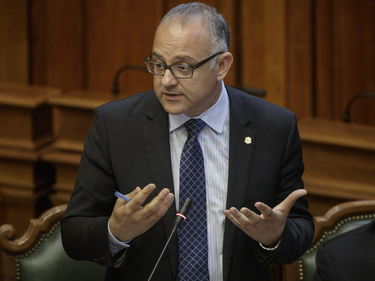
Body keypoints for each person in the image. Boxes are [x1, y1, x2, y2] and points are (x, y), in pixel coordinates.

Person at [61, 2, 314, 281]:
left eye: (182, 67)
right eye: (158, 64)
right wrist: (115, 231)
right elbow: (73, 233)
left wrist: (274, 236)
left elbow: (300, 227)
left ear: (221, 65)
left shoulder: (274, 128)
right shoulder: (116, 125)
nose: (166, 81)